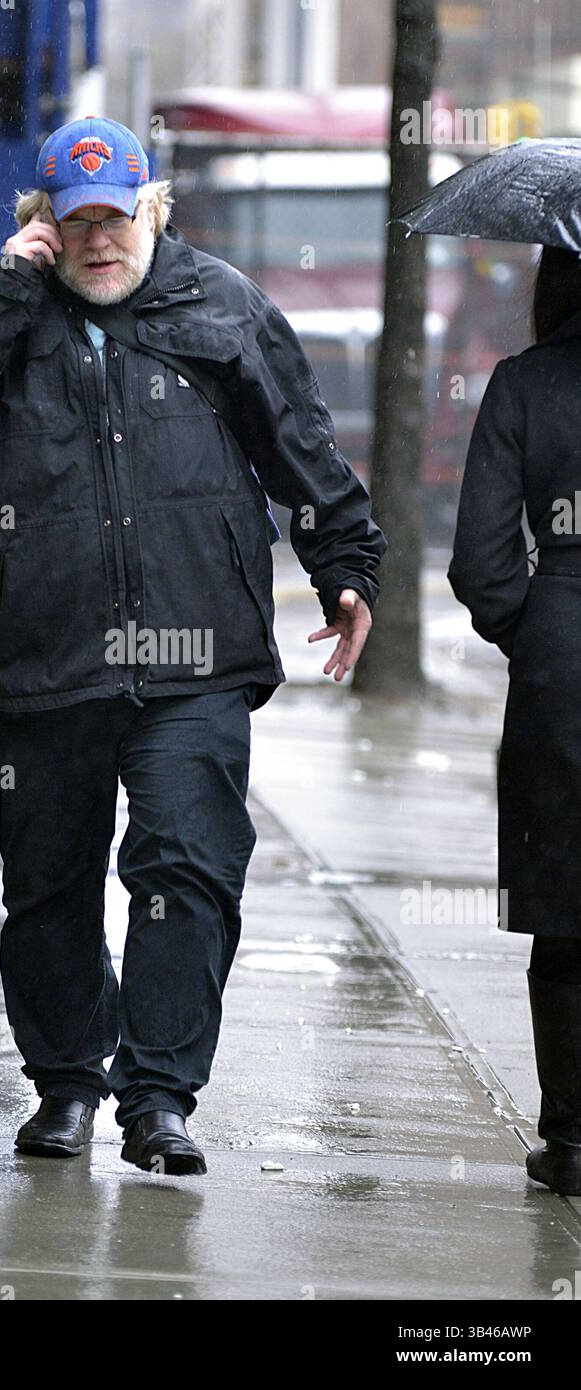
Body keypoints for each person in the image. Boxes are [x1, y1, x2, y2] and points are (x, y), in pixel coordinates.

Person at [0, 115, 387, 1176]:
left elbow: (298, 441)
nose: (99, 241)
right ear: (44, 228)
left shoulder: (221, 303)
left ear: (152, 209)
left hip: (194, 651)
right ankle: (65, 1083)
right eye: (76, 223)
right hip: (44, 654)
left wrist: (344, 564)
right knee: (48, 882)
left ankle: (158, 1095)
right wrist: (4, 291)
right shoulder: (10, 311)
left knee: (186, 867)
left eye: (117, 217)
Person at [449, 244, 581, 1197]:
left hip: (562, 665)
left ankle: (572, 1142)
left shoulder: (525, 385)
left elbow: (482, 564)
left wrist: (536, 632)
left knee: (566, 912)